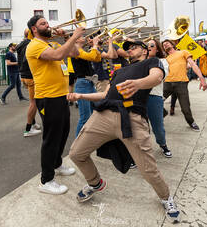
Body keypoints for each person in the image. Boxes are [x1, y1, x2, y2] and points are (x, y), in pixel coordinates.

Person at [67, 39, 181, 224]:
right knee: (76, 153)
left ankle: (166, 198)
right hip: (103, 114)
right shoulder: (119, 71)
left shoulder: (152, 62)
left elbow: (156, 78)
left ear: (145, 51)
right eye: (127, 48)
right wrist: (81, 96)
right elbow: (105, 95)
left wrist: (138, 84)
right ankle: (95, 183)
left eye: (134, 46)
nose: (129, 49)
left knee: (147, 168)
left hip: (132, 117)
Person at [26, 14, 84, 195]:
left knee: (62, 133)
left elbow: (74, 53)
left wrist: (67, 37)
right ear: (34, 29)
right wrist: (75, 36)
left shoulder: (51, 43)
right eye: (43, 23)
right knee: (51, 138)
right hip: (48, 97)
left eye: (47, 22)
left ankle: (57, 164)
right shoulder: (34, 45)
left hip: (60, 95)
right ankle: (46, 180)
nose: (48, 25)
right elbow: (58, 55)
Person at [162, 39, 207, 131]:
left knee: (185, 108)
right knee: (157, 102)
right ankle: (163, 114)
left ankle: (191, 122)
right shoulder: (165, 59)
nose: (165, 45)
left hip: (181, 84)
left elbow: (193, 65)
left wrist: (202, 78)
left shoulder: (183, 52)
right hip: (167, 83)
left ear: (172, 44)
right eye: (163, 45)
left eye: (167, 43)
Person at [71, 35, 101, 136]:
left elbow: (97, 58)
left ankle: (88, 138)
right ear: (75, 39)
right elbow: (92, 56)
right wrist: (95, 45)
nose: (84, 37)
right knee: (85, 117)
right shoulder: (75, 50)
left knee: (95, 112)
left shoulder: (83, 51)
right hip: (82, 84)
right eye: (81, 36)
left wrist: (95, 47)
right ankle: (77, 144)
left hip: (89, 83)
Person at [147, 38, 172, 157]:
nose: (148, 47)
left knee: (158, 127)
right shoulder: (138, 61)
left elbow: (160, 77)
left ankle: (163, 144)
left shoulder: (162, 61)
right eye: (146, 45)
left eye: (152, 45)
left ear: (157, 49)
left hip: (154, 97)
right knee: (139, 127)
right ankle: (140, 151)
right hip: (138, 98)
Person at [16, 29, 41, 137]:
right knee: (34, 103)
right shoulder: (32, 44)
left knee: (34, 101)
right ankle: (28, 129)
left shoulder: (21, 44)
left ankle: (34, 123)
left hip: (24, 76)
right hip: (31, 76)